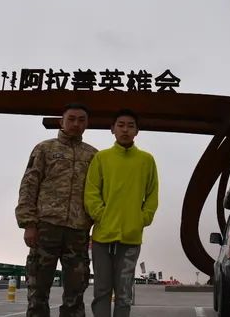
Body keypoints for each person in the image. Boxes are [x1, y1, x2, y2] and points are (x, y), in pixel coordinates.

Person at [16, 103, 97, 317]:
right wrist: (29, 223)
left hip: (77, 232)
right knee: (37, 293)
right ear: (61, 121)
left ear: (87, 124)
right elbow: (29, 185)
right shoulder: (45, 148)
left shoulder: (93, 155)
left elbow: (99, 193)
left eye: (81, 120)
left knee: (75, 294)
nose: (76, 124)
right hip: (45, 229)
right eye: (71, 119)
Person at [84, 108, 159, 317]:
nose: (125, 130)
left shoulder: (146, 160)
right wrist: (101, 215)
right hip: (102, 237)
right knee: (101, 291)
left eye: (130, 126)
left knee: (124, 293)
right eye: (121, 125)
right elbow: (91, 192)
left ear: (137, 131)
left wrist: (143, 218)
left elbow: (152, 194)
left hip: (131, 237)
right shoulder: (102, 158)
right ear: (112, 129)